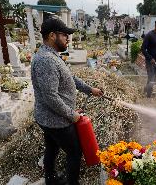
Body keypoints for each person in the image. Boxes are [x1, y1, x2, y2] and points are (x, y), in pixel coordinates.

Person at [31, 18, 103, 185]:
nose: (68, 39)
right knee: (75, 152)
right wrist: (72, 115)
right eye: (64, 35)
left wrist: (89, 89)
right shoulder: (46, 60)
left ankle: (51, 179)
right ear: (51, 35)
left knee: (52, 147)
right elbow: (50, 96)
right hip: (55, 120)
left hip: (49, 118)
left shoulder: (51, 56)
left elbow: (70, 77)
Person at [141, 18, 156, 97]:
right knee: (151, 77)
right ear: (155, 25)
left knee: (155, 78)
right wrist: (150, 58)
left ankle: (146, 89)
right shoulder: (149, 35)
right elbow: (143, 49)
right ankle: (149, 95)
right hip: (150, 61)